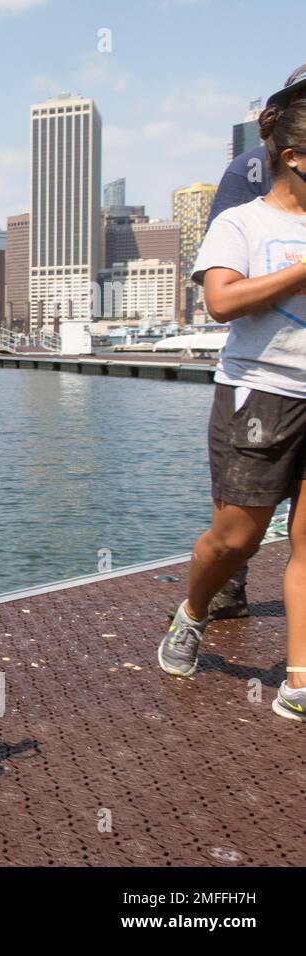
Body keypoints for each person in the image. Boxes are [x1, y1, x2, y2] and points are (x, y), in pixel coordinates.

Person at [157, 97, 306, 724]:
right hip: (262, 394)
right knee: (238, 538)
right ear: (295, 158)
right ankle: (191, 614)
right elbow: (220, 301)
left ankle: (298, 680)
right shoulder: (243, 224)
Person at [195, 64, 306, 619]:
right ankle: (222, 585)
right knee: (238, 526)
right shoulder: (249, 171)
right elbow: (224, 283)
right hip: (262, 377)